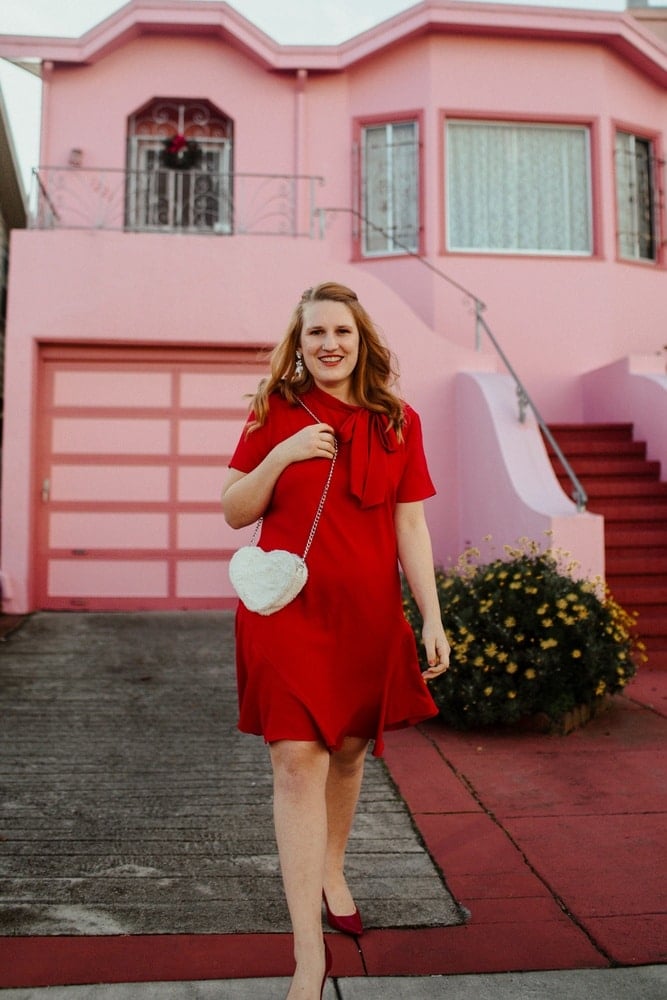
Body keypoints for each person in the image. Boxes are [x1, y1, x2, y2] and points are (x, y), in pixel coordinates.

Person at [221, 281, 450, 1000]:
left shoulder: (397, 421)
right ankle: (306, 956)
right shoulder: (274, 411)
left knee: (348, 753)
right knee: (296, 760)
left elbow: (409, 525)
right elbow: (233, 509)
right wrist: (281, 455)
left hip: (367, 618)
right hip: (287, 611)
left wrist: (431, 614)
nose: (329, 344)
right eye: (316, 332)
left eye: (341, 333)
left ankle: (331, 867)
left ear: (361, 341)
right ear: (300, 342)